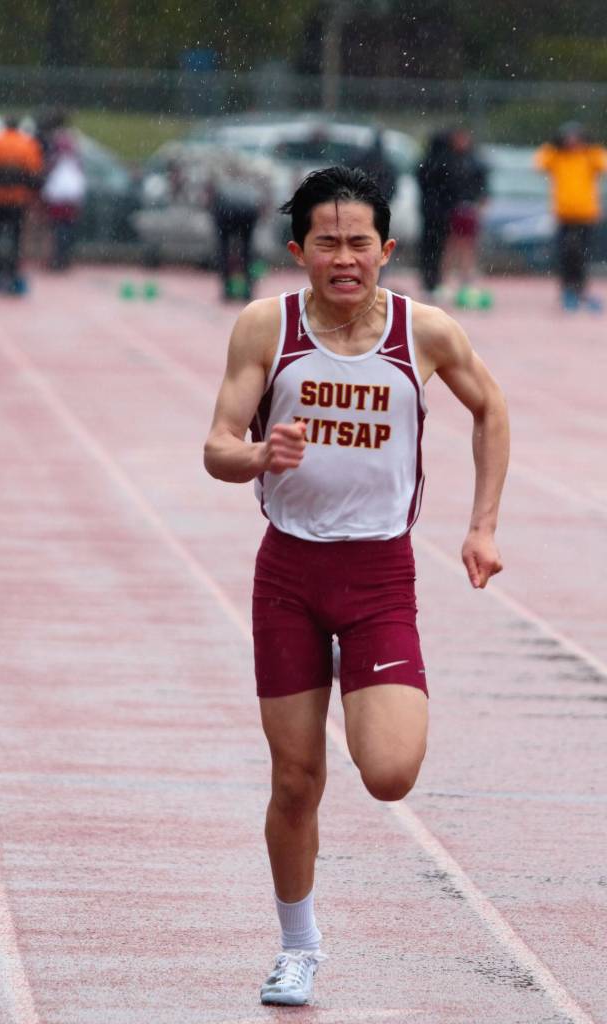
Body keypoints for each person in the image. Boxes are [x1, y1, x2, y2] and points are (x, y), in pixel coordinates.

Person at [203, 166, 509, 1007]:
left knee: (390, 772)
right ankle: (298, 946)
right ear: (298, 250)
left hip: (378, 577)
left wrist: (482, 526)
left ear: (388, 249)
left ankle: (366, 680)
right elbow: (217, 446)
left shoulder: (425, 331)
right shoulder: (266, 326)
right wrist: (259, 454)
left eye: (359, 243)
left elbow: (492, 410)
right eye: (328, 243)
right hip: (289, 574)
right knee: (296, 779)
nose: (345, 258)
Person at [534, 121, 607, 311]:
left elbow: (603, 162)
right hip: (564, 215)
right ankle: (567, 290)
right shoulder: (557, 157)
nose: (572, 142)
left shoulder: (589, 156)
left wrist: (590, 147)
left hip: (586, 215)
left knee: (582, 255)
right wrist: (553, 145)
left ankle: (580, 290)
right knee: (566, 254)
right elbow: (539, 163)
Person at [0, 115, 43, 294]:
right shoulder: (28, 144)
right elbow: (34, 173)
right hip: (18, 200)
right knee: (16, 240)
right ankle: (13, 277)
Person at [209, 153, 269, 302]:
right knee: (247, 252)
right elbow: (260, 202)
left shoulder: (221, 183)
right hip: (247, 213)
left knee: (224, 251)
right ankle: (247, 290)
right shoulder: (248, 183)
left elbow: (211, 203)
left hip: (227, 213)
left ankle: (227, 289)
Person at [443, 128, 489, 306]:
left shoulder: (475, 162)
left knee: (468, 247)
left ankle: (467, 282)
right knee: (452, 245)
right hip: (453, 209)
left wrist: (480, 204)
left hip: (468, 208)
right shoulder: (450, 161)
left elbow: (482, 186)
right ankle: (447, 282)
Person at [40, 118, 86, 271]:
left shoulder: (56, 142)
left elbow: (50, 164)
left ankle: (59, 257)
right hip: (72, 188)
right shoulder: (75, 141)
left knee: (58, 226)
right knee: (68, 225)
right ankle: (64, 257)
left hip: (59, 189)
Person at [416, 130, 457, 300]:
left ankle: (427, 280)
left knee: (427, 247)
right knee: (439, 248)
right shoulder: (447, 163)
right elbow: (452, 187)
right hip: (442, 212)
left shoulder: (425, 162)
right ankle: (435, 281)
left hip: (427, 211)